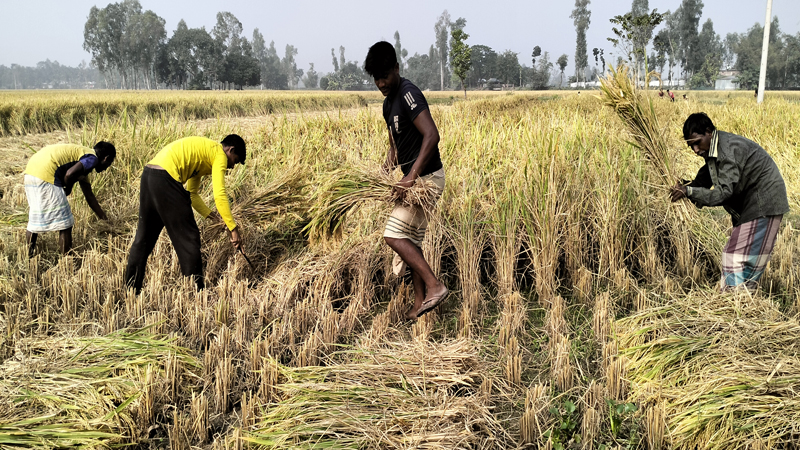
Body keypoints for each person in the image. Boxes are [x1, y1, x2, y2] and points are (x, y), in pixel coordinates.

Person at [364, 41, 449, 320]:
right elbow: (395, 149)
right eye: (376, 78)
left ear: (397, 69)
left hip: (428, 180)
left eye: (385, 76)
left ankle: (435, 286)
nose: (381, 83)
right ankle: (419, 304)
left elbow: (432, 135)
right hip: (415, 180)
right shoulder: (388, 105)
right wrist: (382, 174)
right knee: (412, 242)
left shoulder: (408, 93)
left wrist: (410, 177)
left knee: (393, 235)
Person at [670, 113, 789, 291]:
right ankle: (743, 299)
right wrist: (686, 186)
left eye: (697, 142)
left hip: (764, 201)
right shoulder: (714, 150)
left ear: (709, 132)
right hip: (755, 203)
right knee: (742, 257)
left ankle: (734, 302)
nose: (695, 150)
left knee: (733, 255)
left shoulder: (726, 151)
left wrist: (689, 191)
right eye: (690, 146)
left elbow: (723, 193)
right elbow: (706, 177)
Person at [124, 135, 246, 294]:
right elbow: (220, 194)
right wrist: (233, 228)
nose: (231, 166)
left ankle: (131, 290)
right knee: (189, 237)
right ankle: (196, 293)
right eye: (234, 161)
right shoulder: (219, 154)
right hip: (166, 178)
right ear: (231, 150)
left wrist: (214, 217)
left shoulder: (203, 155)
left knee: (143, 239)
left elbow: (192, 194)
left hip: (150, 175)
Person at [23, 142, 116, 257]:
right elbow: (69, 174)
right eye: (109, 164)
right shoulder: (92, 158)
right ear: (106, 159)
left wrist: (106, 221)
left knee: (35, 219)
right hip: (47, 173)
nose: (106, 169)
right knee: (66, 223)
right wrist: (68, 187)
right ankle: (67, 260)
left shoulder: (82, 160)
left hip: (31, 172)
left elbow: (89, 196)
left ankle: (28, 256)